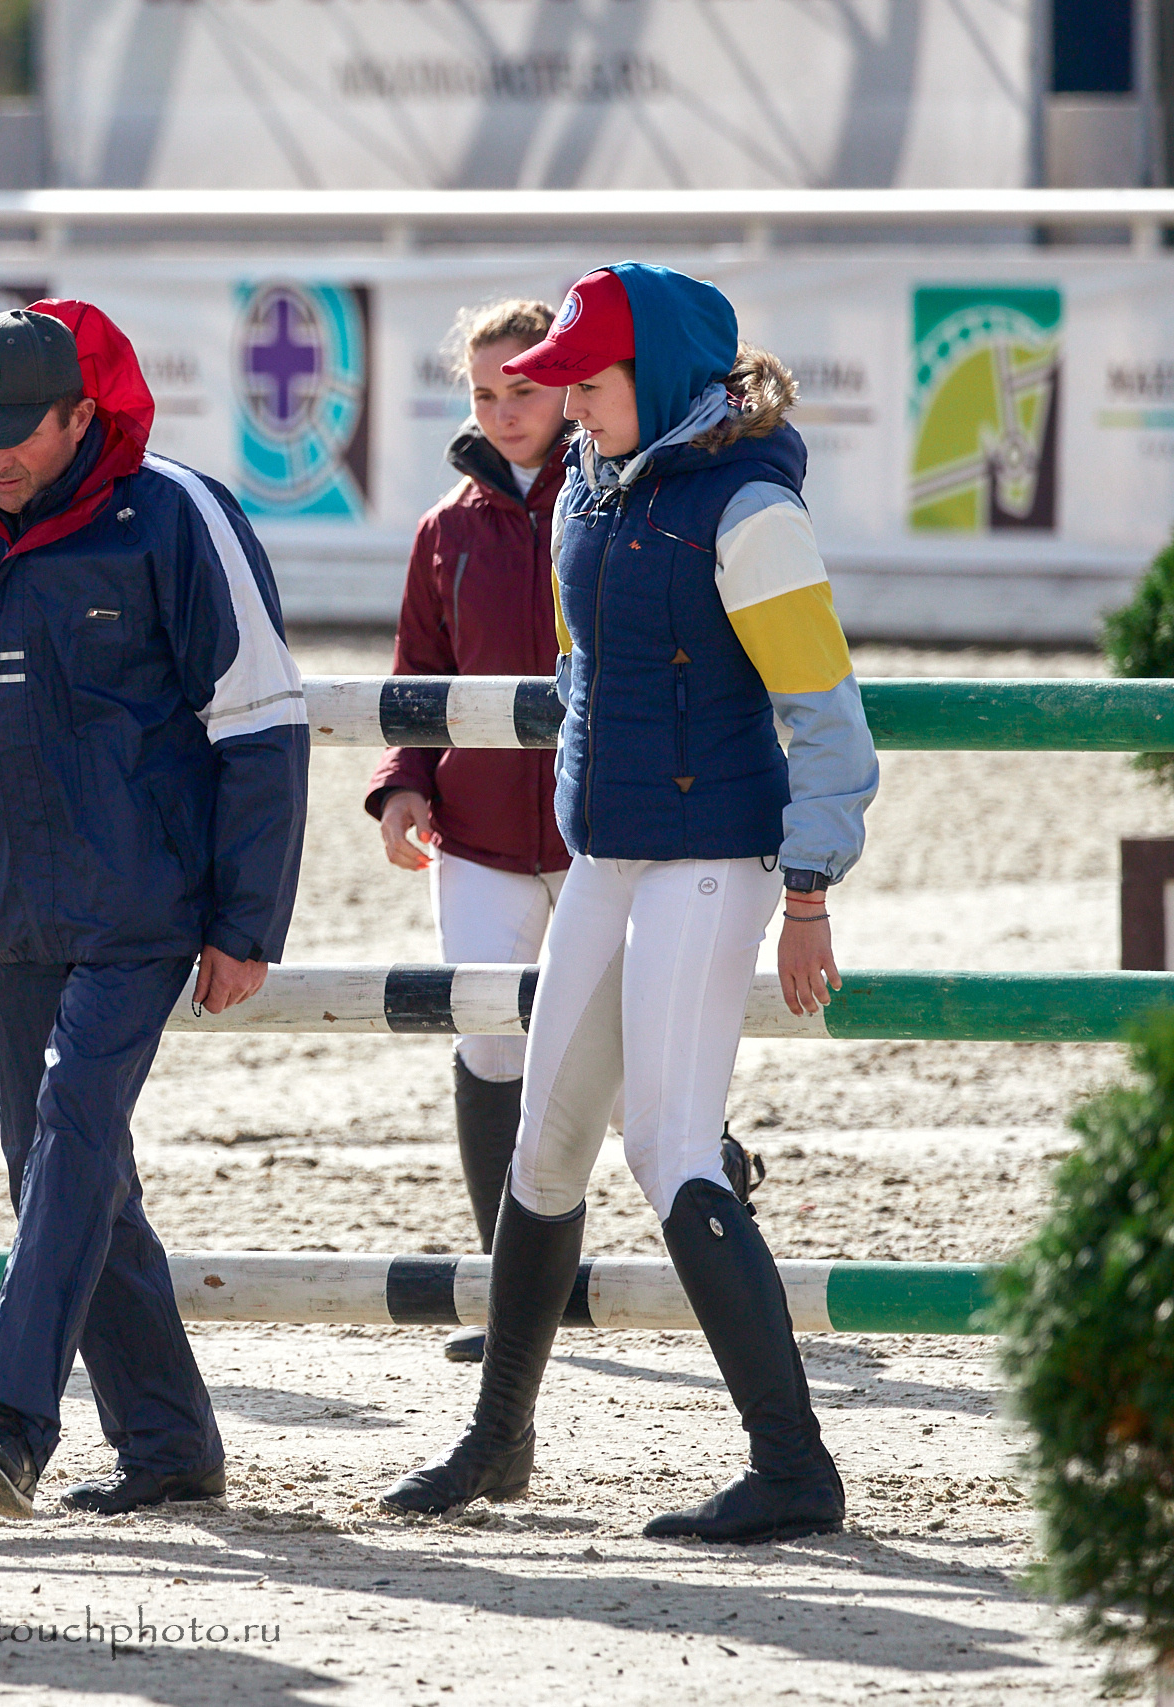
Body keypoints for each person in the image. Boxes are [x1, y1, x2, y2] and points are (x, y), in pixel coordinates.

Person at [379, 263, 879, 1544]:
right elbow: (580, 676)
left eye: (585, 384)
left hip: (712, 858)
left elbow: (824, 717)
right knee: (545, 1148)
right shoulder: (590, 490)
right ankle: (498, 1439)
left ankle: (794, 1468)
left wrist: (808, 890)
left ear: (651, 378)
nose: (568, 406)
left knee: (669, 1148)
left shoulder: (749, 507)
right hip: (605, 851)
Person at [0, 302, 309, 1518]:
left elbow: (261, 722)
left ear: (79, 415)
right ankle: (169, 1448)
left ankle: (7, 1421)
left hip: (145, 904)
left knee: (68, 1139)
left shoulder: (176, 512)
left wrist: (245, 922)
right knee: (60, 1171)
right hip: (8, 910)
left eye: (18, 432)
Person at [366, 298, 574, 1364]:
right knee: (489, 1045)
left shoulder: (618, 501)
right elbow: (418, 673)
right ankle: (512, 1297)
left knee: (627, 1057)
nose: (502, 410)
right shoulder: (442, 529)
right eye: (484, 392)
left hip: (605, 839)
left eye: (523, 388)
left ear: (569, 383)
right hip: (480, 837)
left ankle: (718, 1217)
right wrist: (402, 784)